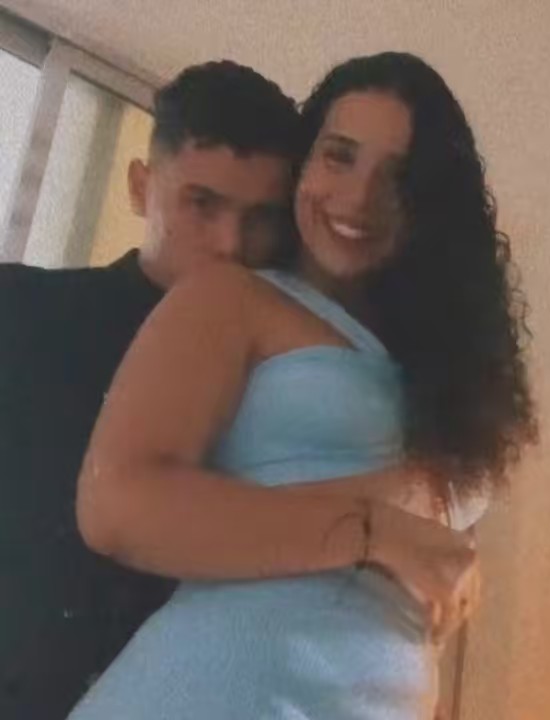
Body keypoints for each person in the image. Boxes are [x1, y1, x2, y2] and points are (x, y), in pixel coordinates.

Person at [68, 52, 537, 719]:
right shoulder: (233, 297)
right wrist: (373, 531)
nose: (358, 197)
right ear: (303, 164)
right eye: (339, 156)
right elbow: (117, 504)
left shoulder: (448, 378)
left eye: (398, 176)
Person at [0, 60, 298, 719]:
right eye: (202, 203)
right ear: (141, 187)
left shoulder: (284, 393)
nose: (230, 244)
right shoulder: (18, 310)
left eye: (260, 218)